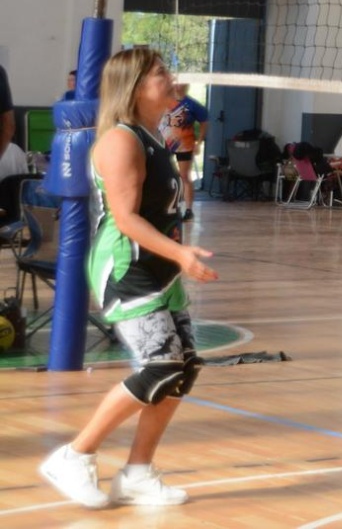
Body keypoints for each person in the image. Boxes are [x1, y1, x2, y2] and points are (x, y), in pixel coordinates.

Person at [39, 48, 218, 509]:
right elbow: (125, 218)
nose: (171, 78)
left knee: (183, 369)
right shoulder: (121, 140)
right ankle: (74, 455)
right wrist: (180, 252)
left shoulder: (155, 137)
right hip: (127, 267)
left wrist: (176, 256)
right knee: (161, 367)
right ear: (136, 87)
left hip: (160, 268)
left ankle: (138, 473)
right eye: (160, 73)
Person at [158, 84, 208, 222]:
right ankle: (163, 207)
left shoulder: (191, 104)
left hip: (184, 145)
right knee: (163, 175)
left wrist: (199, 141)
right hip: (164, 144)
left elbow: (204, 121)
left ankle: (188, 210)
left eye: (181, 83)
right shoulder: (162, 101)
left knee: (184, 176)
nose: (177, 86)